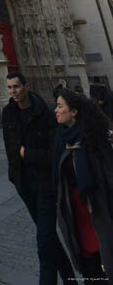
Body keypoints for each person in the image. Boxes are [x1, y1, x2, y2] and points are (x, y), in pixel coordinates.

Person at [3, 71, 74, 285]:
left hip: (44, 185)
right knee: (49, 238)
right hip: (24, 184)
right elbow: (11, 148)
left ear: (27, 86)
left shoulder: (45, 114)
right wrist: (15, 175)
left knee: (43, 242)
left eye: (16, 86)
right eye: (9, 88)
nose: (13, 91)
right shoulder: (8, 113)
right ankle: (70, 279)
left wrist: (27, 154)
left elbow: (55, 154)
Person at [54, 89, 113, 284]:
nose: (55, 110)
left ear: (74, 112)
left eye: (60, 106)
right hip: (77, 215)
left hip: (97, 211)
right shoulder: (62, 140)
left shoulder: (94, 141)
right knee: (90, 267)